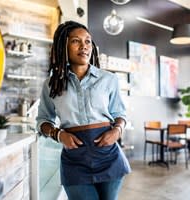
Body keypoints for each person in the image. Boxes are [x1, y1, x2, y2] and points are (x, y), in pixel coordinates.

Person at [36, 20, 131, 200]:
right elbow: (43, 120)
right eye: (75, 41)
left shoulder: (108, 79)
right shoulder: (51, 84)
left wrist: (117, 131)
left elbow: (120, 113)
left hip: (108, 156)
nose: (84, 46)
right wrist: (58, 134)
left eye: (87, 41)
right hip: (74, 161)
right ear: (63, 46)